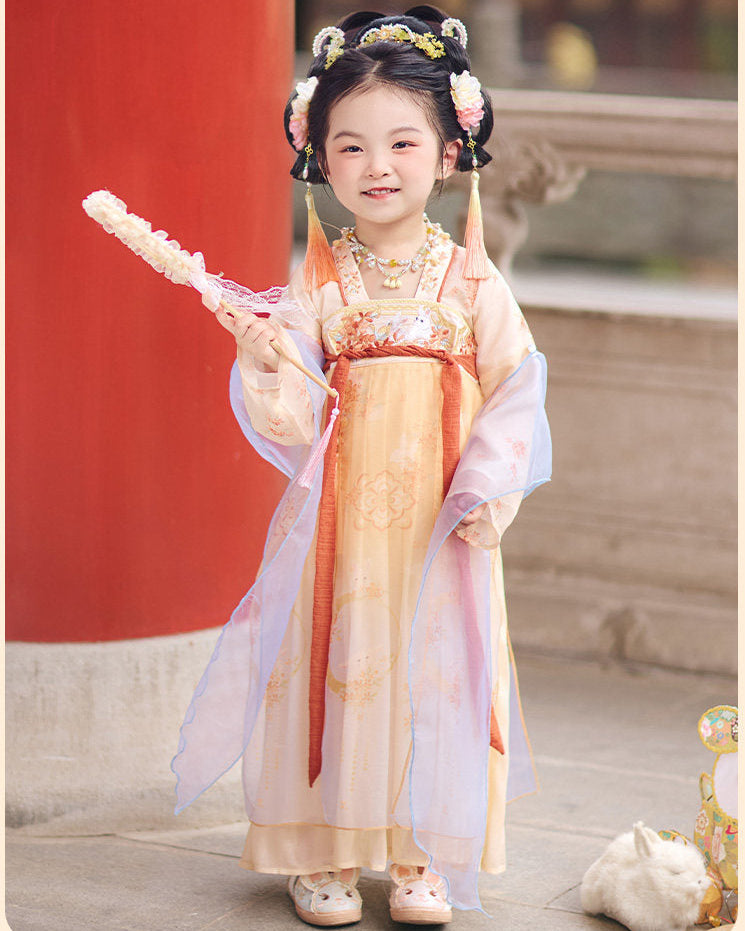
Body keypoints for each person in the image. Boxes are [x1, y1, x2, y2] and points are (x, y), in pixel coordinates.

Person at [171, 6, 551, 926]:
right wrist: (265, 361)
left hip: (439, 521)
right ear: (320, 159)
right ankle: (323, 852)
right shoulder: (317, 283)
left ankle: (422, 853)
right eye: (350, 146)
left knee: (436, 674)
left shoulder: (471, 280)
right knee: (337, 668)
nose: (376, 166)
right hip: (341, 529)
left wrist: (486, 490)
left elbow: (517, 387)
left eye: (401, 143)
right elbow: (294, 418)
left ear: (449, 153)